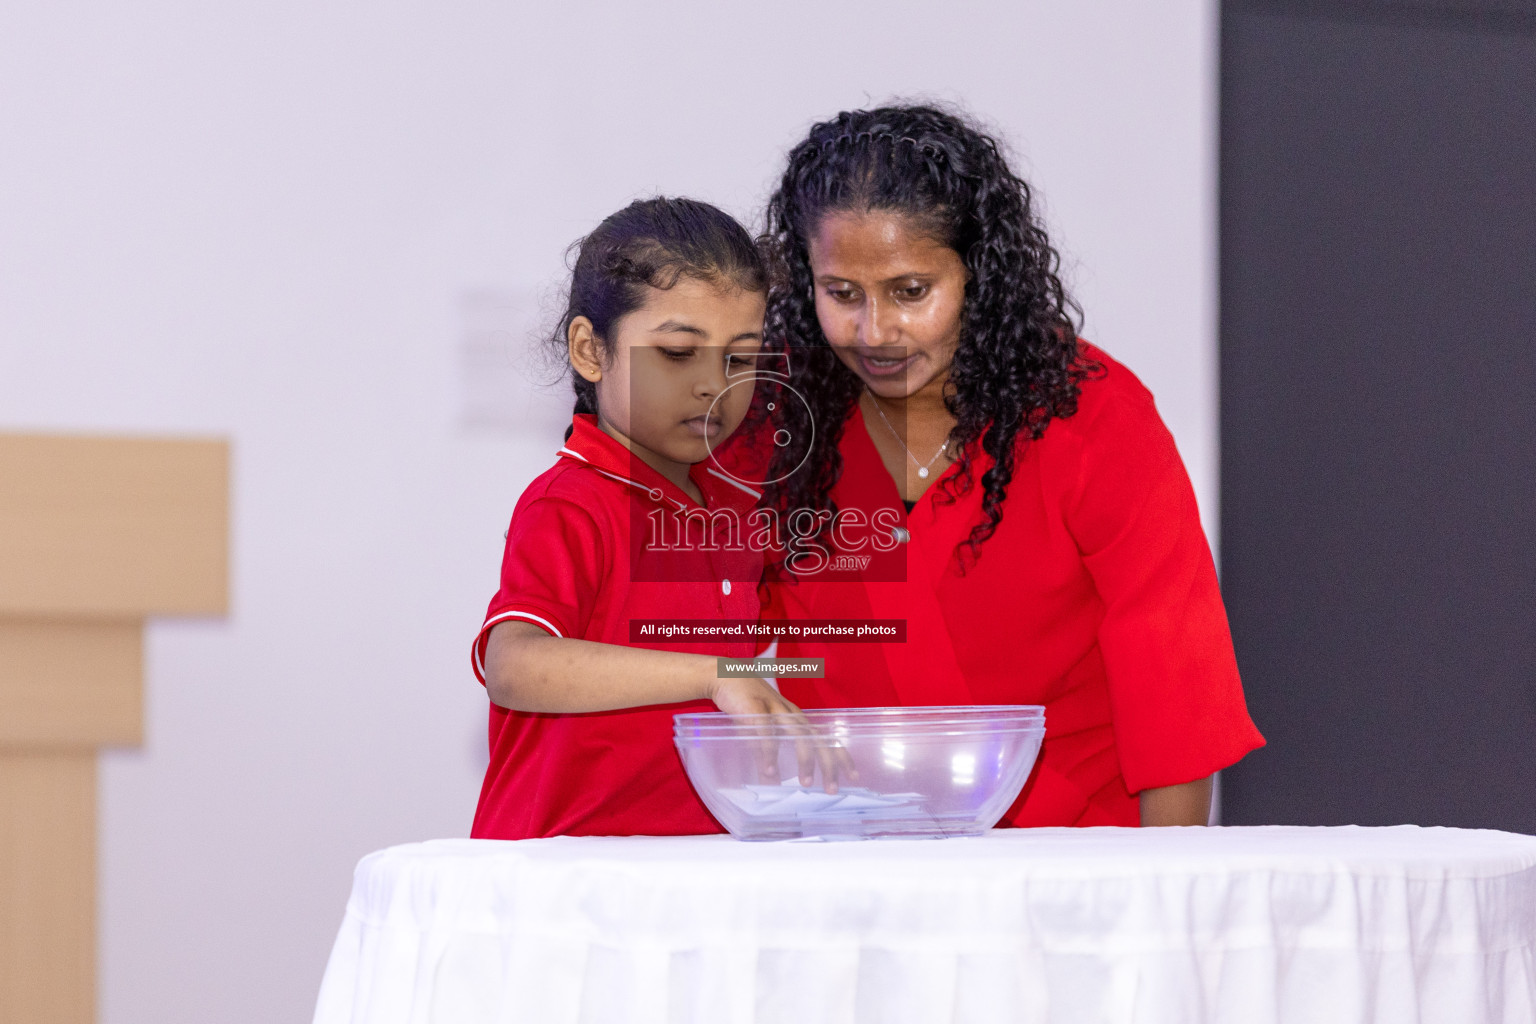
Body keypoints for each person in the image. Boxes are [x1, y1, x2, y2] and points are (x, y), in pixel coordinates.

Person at [752, 105, 1265, 827]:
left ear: (979, 275)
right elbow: (704, 644)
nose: (874, 332)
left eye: (910, 291)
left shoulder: (1095, 418)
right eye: (841, 294)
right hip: (846, 867)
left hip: (1069, 875)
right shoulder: (776, 424)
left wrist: (1160, 900)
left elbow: (1174, 693)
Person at [469, 197, 814, 839]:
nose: (716, 385)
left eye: (740, 358)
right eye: (678, 353)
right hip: (562, 885)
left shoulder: (733, 511)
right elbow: (513, 666)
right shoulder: (570, 503)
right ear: (590, 350)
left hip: (690, 881)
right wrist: (711, 676)